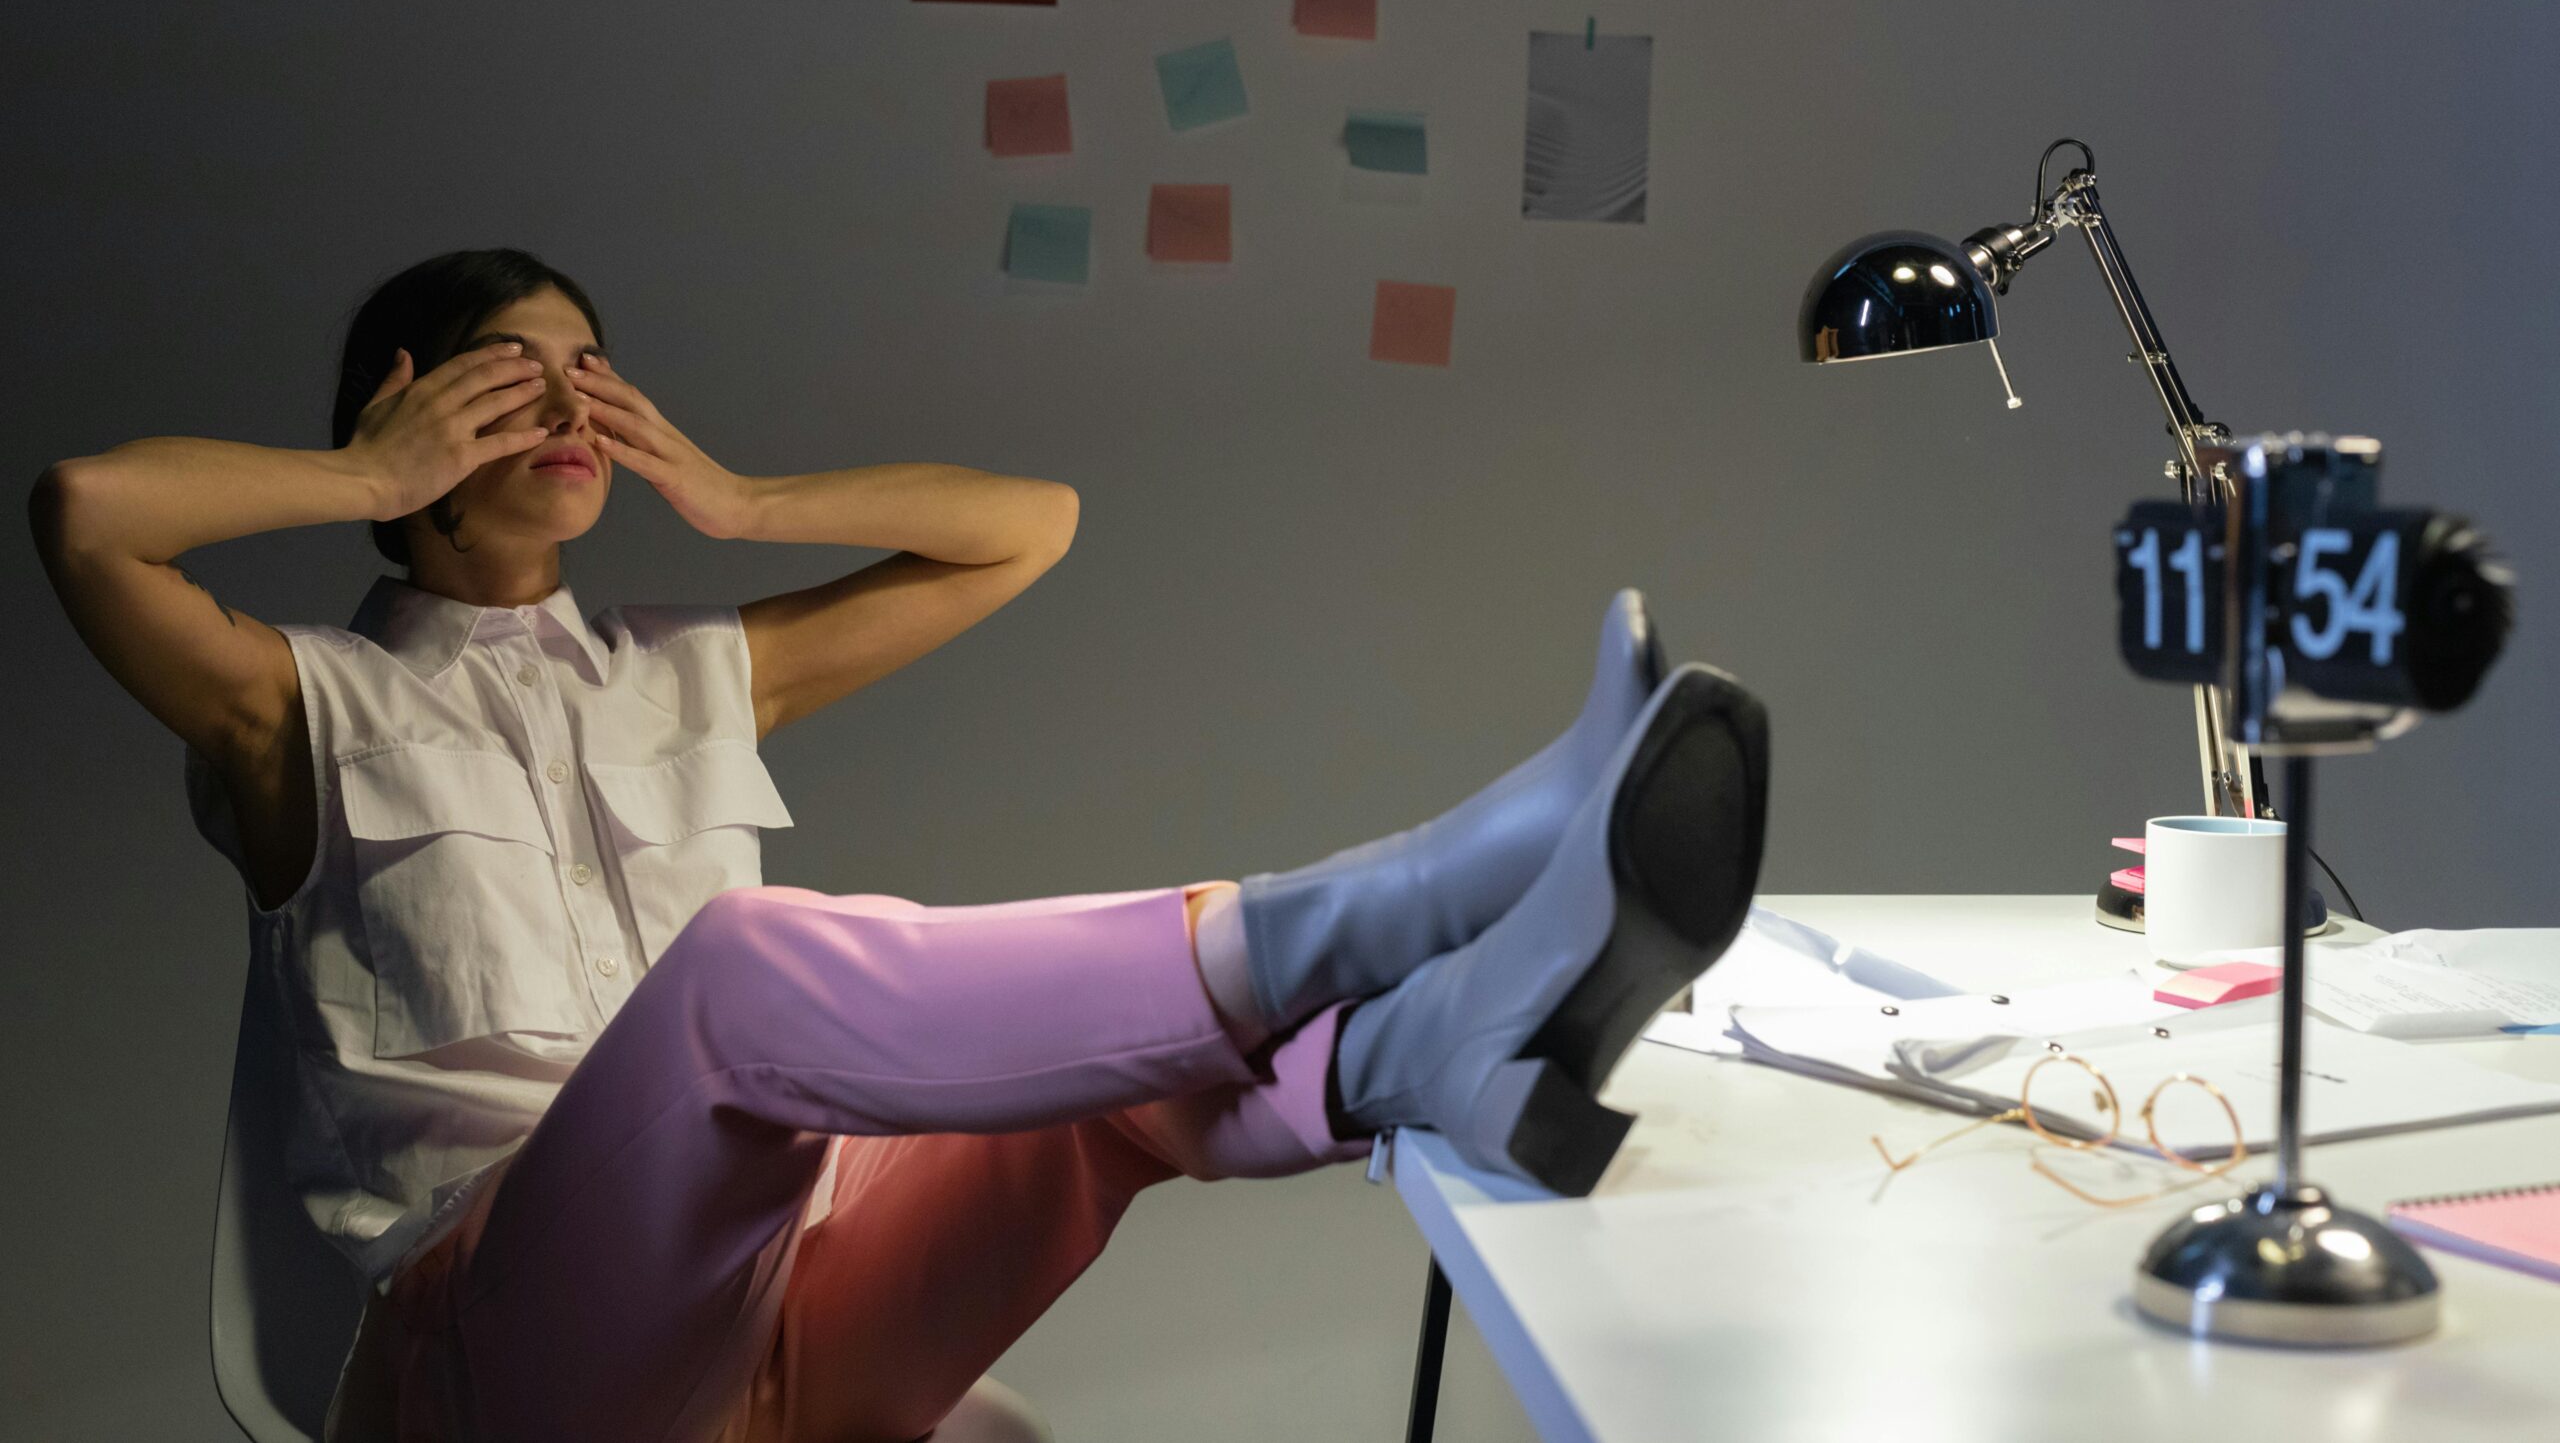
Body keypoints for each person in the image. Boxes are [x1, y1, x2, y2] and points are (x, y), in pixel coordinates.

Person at [28, 249, 1769, 1443]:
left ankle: (1417, 1055)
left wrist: (739, 504)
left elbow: (1028, 531)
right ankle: (1422, 891)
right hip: (489, 1375)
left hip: (778, 1350)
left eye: (588, 374)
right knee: (739, 986)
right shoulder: (297, 712)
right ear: (411, 407)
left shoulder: (687, 672)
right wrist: (358, 474)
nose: (564, 406)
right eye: (508, 379)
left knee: (1093, 1085)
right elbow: (89, 518)